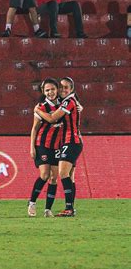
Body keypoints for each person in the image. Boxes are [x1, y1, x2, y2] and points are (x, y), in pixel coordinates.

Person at [34, 77, 83, 217]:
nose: (62, 90)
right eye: (60, 87)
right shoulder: (68, 101)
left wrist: (38, 110)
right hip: (70, 141)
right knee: (70, 176)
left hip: (71, 141)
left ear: (71, 89)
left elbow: (52, 119)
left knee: (63, 173)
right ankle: (70, 208)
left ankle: (69, 209)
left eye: (66, 87)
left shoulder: (68, 101)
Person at [28, 78, 61, 218]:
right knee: (44, 175)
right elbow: (35, 129)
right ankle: (32, 202)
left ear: (57, 89)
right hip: (42, 144)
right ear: (43, 91)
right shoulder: (41, 107)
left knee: (54, 178)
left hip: (58, 146)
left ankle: (48, 209)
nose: (50, 92)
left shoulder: (64, 105)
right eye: (47, 90)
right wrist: (32, 147)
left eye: (52, 89)